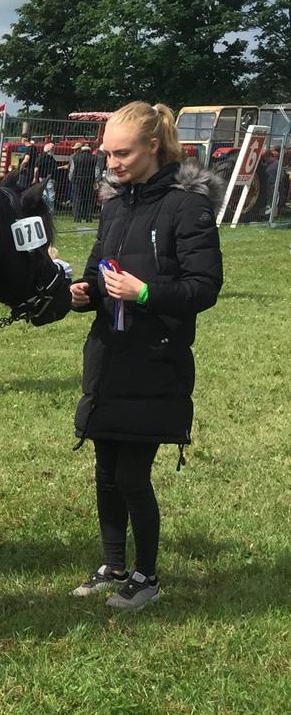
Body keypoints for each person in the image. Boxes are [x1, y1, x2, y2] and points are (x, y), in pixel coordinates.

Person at [70, 101, 223, 611]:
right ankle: (113, 563)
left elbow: (204, 286)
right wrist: (84, 291)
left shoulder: (188, 206)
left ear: (153, 147)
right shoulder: (114, 205)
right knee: (106, 471)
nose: (111, 163)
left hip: (156, 360)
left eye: (122, 153)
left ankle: (146, 576)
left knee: (133, 475)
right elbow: (99, 269)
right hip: (109, 355)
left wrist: (144, 293)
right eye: (106, 153)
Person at [68, 141, 98, 223]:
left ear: (82, 150)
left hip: (77, 181)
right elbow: (97, 171)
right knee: (88, 199)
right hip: (89, 181)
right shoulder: (94, 158)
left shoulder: (76, 157)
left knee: (77, 199)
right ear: (89, 150)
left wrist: (71, 179)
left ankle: (77, 218)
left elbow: (72, 170)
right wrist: (96, 181)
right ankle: (88, 217)